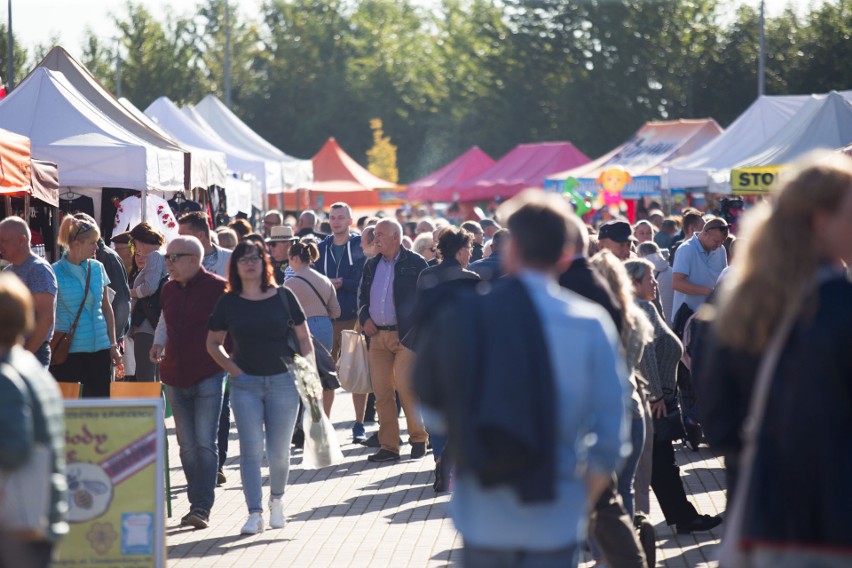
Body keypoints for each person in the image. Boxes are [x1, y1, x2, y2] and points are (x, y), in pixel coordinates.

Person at [414, 190, 630, 567]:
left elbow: (431, 411)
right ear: (566, 253)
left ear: (511, 249)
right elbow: (611, 436)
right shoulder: (589, 323)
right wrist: (580, 498)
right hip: (556, 510)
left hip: (482, 508)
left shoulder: (470, 315)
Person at [699, 153, 852, 563]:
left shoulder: (742, 299)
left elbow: (717, 420)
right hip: (837, 526)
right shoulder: (839, 307)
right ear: (822, 220)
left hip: (765, 521)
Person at [207, 240, 314, 535]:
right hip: (246, 385)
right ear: (236, 266)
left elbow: (304, 339)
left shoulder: (283, 295)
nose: (250, 263)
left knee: (279, 451)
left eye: (256, 258)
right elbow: (213, 343)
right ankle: (254, 512)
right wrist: (234, 371)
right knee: (251, 449)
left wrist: (308, 373)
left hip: (284, 381)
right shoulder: (228, 301)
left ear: (264, 262)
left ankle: (277, 501)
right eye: (244, 259)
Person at [624, 257, 722, 535]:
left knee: (660, 464)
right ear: (634, 283)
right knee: (661, 462)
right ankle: (682, 517)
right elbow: (646, 356)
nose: (656, 283)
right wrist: (656, 395)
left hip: (656, 398)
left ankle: (683, 516)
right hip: (655, 401)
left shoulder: (642, 305)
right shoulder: (641, 308)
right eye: (650, 279)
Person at [150, 236, 227, 530]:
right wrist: (159, 343)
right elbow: (164, 321)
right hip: (174, 375)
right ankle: (198, 500)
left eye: (173, 257)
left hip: (208, 373)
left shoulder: (219, 288)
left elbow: (230, 329)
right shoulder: (168, 289)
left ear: (194, 260)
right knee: (185, 445)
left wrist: (230, 363)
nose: (167, 263)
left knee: (204, 443)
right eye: (166, 258)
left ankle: (200, 506)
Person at [0, 273, 68, 568]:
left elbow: (13, 447)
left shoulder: (6, 376)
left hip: (15, 524)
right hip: (40, 512)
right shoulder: (32, 368)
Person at [358, 219, 429, 462]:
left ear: (396, 238)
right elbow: (362, 295)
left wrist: (415, 331)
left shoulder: (416, 263)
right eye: (375, 234)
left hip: (406, 336)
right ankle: (389, 446)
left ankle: (419, 438)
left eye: (381, 234)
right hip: (377, 336)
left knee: (407, 387)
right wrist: (364, 316)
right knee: (381, 392)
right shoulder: (371, 264)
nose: (375, 238)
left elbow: (425, 299)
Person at [415, 226, 480, 492]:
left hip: (432, 354)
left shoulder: (427, 276)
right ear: (463, 251)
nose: (471, 254)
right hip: (464, 355)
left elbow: (418, 316)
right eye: (470, 249)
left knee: (436, 409)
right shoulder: (472, 279)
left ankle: (440, 457)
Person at [177, 211, 233, 486]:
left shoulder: (229, 259)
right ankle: (201, 466)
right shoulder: (178, 262)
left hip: (222, 348)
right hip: (188, 349)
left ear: (200, 236)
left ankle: (217, 463)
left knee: (220, 409)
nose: (177, 241)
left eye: (183, 234)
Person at [50, 216, 121, 397]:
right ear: (76, 244)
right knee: (72, 408)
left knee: (101, 405)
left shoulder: (98, 268)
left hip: (100, 349)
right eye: (92, 243)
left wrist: (113, 344)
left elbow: (106, 307)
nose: (96, 247)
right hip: (69, 352)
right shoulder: (54, 272)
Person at [314, 202, 367, 441]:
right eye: (332, 217)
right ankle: (325, 423)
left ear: (350, 221)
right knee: (326, 373)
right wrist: (327, 283)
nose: (336, 221)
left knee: (357, 370)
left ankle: (359, 423)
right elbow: (313, 279)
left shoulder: (359, 246)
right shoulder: (320, 248)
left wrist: (343, 283)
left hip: (354, 317)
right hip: (327, 318)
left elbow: (366, 282)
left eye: (341, 217)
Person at [285, 238, 341, 415]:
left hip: (303, 330)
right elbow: (336, 311)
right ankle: (326, 417)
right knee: (326, 375)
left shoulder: (290, 284)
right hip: (325, 327)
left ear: (295, 259)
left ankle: (308, 419)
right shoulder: (325, 280)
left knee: (304, 376)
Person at [0, 217, 57, 366]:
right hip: (11, 353)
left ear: (21, 240)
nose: (0, 246)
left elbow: (45, 318)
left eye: (3, 240)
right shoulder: (7, 271)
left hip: (33, 353)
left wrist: (24, 357)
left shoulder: (38, 269)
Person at [75, 213, 131, 356]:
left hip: (102, 343)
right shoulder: (72, 263)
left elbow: (120, 304)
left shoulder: (107, 258)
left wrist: (112, 341)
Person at [671, 217, 728, 327]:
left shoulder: (720, 250)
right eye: (716, 241)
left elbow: (723, 279)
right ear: (705, 234)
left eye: (722, 242)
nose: (719, 245)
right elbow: (677, 283)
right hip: (686, 320)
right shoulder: (686, 249)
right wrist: (707, 292)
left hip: (711, 320)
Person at [129, 223, 167, 382]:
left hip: (147, 324)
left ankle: (150, 407)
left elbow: (150, 287)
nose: (136, 249)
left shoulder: (154, 256)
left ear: (140, 241)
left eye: (134, 243)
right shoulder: (163, 254)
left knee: (145, 378)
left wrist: (132, 292)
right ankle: (159, 407)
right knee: (155, 379)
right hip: (155, 322)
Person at [638, 241, 673, 322]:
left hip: (654, 322)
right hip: (673, 321)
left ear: (640, 254)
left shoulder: (642, 272)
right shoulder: (672, 271)